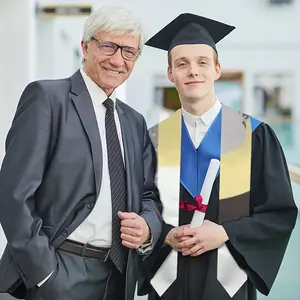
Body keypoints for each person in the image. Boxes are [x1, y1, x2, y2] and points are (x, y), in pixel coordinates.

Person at [0, 6, 162, 300]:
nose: (117, 60)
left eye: (129, 52)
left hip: (118, 276)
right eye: (108, 46)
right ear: (85, 46)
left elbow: (149, 193)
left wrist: (148, 227)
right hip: (60, 271)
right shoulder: (48, 100)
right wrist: (44, 273)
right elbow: (14, 195)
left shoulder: (134, 122)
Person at [138, 13, 298, 300]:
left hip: (228, 282)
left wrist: (226, 233)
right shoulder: (153, 140)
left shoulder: (253, 135)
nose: (193, 71)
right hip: (168, 281)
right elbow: (140, 205)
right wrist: (164, 234)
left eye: (202, 62)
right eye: (182, 64)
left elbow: (278, 213)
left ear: (217, 69)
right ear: (170, 74)